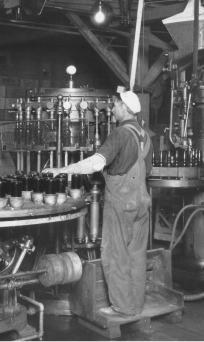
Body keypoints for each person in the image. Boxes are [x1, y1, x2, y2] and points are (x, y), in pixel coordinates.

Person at [44, 91, 152, 317]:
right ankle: (136, 304)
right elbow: (147, 170)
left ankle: (123, 307)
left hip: (122, 203)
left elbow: (95, 163)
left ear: (124, 107)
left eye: (115, 104)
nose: (112, 108)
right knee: (137, 255)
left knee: (116, 254)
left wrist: (61, 170)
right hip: (142, 202)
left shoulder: (120, 134)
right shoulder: (145, 135)